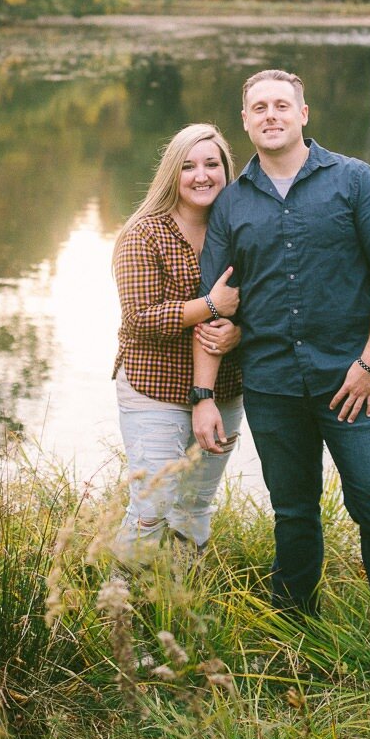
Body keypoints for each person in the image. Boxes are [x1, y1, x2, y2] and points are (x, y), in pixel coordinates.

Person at [194, 69, 370, 666]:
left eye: (281, 105)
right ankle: (293, 641)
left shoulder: (353, 181)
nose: (270, 115)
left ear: (303, 114)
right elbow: (221, 300)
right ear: (244, 121)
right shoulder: (231, 203)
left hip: (353, 384)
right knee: (294, 515)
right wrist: (211, 374)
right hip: (271, 386)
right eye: (258, 107)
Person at [110, 122, 245, 561]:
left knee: (194, 508)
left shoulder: (242, 231)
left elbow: (268, 304)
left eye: (211, 164)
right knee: (151, 508)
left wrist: (239, 330)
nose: (201, 175)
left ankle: (184, 601)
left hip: (224, 390)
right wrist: (209, 305)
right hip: (155, 388)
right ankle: (122, 605)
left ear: (227, 170)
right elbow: (140, 318)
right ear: (173, 173)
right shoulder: (144, 233)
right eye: (188, 166)